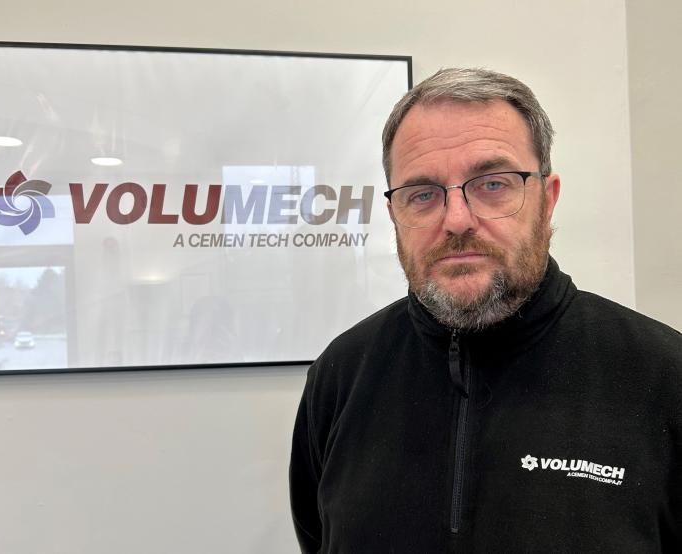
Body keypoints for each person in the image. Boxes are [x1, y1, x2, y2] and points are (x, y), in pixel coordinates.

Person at [289, 68, 682, 553]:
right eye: (423, 194)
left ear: (547, 198)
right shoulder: (342, 374)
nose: (456, 221)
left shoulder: (664, 376)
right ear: (395, 214)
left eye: (492, 184)